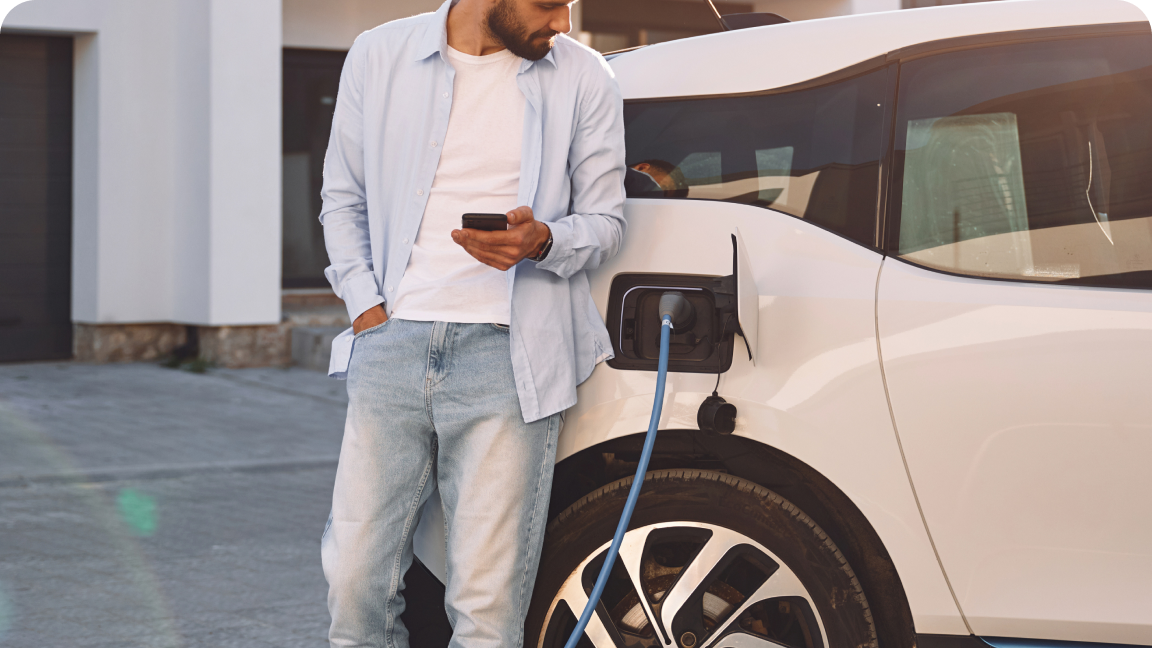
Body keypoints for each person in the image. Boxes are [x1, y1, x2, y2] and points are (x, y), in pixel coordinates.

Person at [317, 0, 626, 646]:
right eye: (548, 4)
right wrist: (366, 308)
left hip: (510, 363)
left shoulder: (585, 77)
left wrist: (542, 240)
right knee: (353, 590)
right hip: (391, 348)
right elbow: (342, 197)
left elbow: (607, 222)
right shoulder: (378, 56)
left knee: (486, 613)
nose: (563, 22)